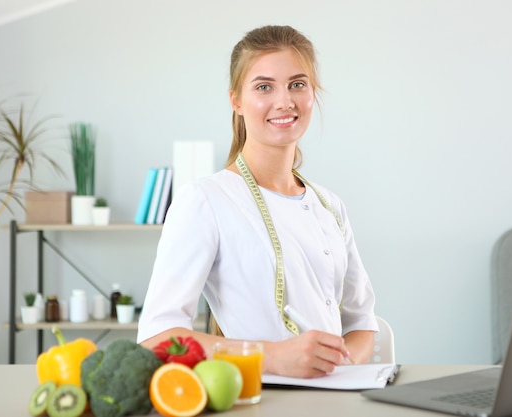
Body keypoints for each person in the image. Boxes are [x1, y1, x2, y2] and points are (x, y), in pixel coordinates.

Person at [137, 25, 378, 378]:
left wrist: (337, 369)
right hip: (259, 399)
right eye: (264, 87)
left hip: (335, 400)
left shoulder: (330, 205)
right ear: (236, 100)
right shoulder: (205, 200)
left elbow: (361, 324)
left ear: (313, 93)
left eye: (298, 84)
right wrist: (274, 357)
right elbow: (157, 340)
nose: (285, 101)